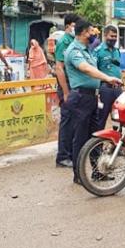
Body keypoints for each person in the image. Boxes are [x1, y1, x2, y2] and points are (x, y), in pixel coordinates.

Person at [63, 19, 123, 185]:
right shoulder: (74, 50)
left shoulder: (87, 50)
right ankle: (79, 175)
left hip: (91, 97)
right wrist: (107, 78)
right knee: (80, 138)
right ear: (83, 33)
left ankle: (97, 172)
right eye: (91, 31)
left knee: (95, 137)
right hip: (80, 98)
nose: (93, 34)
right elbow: (86, 69)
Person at [54, 13, 79, 168]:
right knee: (67, 122)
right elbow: (59, 68)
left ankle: (69, 153)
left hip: (74, 86)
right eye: (75, 26)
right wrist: (65, 91)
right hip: (67, 86)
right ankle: (63, 156)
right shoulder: (64, 42)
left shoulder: (73, 41)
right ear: (69, 25)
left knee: (73, 122)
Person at [94, 25, 124, 131]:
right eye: (111, 36)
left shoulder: (117, 51)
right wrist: (97, 92)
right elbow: (94, 72)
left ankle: (116, 144)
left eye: (115, 36)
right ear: (105, 35)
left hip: (118, 90)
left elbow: (118, 69)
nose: (114, 38)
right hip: (105, 90)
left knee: (119, 117)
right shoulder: (98, 51)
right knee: (101, 118)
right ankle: (97, 146)